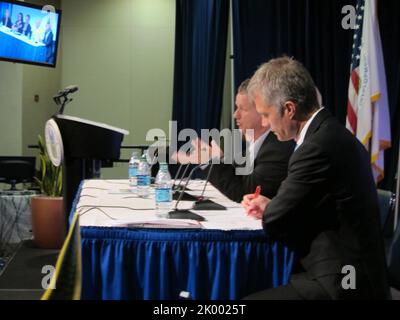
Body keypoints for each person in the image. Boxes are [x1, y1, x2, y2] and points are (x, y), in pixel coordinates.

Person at [241, 56, 391, 299]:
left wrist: (272, 209)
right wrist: (273, 205)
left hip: (343, 283)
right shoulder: (331, 133)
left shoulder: (317, 147)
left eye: (266, 115)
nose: (266, 124)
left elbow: (276, 220)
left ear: (289, 109)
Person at [173, 79, 295, 202]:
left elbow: (245, 193)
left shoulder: (277, 149)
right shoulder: (257, 145)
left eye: (243, 109)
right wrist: (219, 159)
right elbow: (237, 176)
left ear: (261, 111)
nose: (235, 115)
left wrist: (210, 161)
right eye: (237, 108)